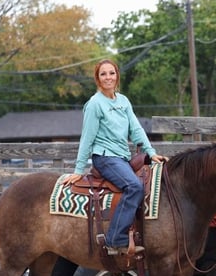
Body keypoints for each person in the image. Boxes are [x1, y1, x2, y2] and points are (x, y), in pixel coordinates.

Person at [61, 59, 166, 256]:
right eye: (103, 74)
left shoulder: (123, 101)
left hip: (122, 157)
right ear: (97, 79)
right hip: (105, 158)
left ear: (117, 75)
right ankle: (115, 238)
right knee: (134, 187)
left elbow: (136, 129)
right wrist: (78, 169)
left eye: (111, 73)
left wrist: (151, 153)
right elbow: (87, 137)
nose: (108, 77)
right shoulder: (95, 104)